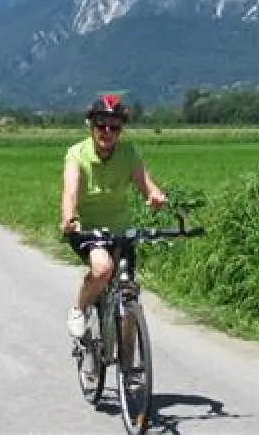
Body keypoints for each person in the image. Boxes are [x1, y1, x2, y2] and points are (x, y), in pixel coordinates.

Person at [60, 93, 166, 339]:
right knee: (102, 269)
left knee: (127, 291)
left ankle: (128, 359)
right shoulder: (77, 154)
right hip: (89, 231)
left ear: (120, 130)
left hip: (120, 232)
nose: (107, 132)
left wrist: (155, 195)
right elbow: (70, 191)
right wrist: (69, 218)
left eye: (114, 127)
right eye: (101, 126)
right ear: (91, 126)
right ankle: (79, 309)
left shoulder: (128, 153)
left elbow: (146, 184)